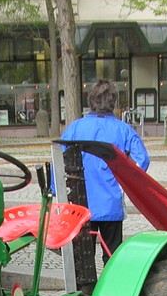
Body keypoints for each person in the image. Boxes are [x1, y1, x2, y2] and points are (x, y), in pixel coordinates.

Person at [60, 80, 150, 262]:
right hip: (111, 203)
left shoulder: (75, 128)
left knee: (84, 260)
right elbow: (143, 160)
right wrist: (128, 184)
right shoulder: (124, 130)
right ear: (113, 103)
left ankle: (85, 290)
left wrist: (58, 190)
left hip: (82, 204)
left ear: (91, 101)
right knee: (112, 258)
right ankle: (112, 289)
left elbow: (59, 160)